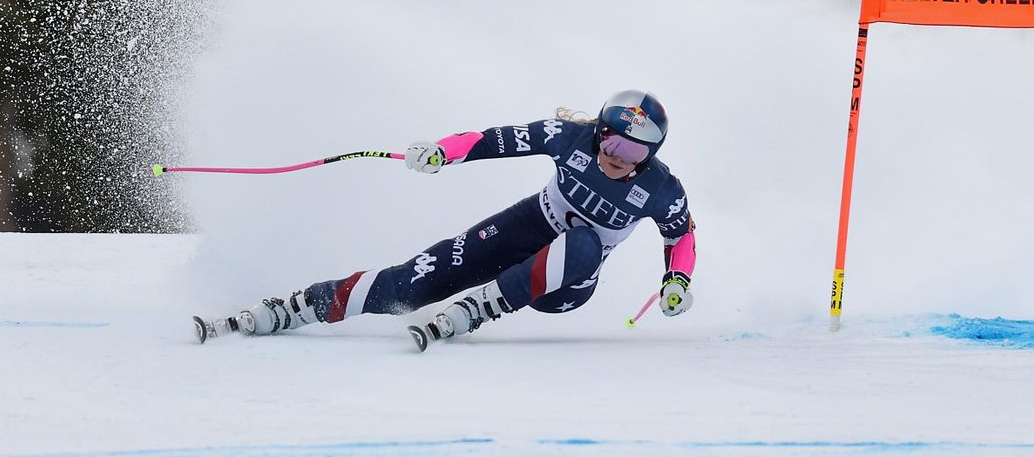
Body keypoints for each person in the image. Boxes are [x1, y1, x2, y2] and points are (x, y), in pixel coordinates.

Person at [195, 89, 696, 349]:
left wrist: (677, 279)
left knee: (584, 241)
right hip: (530, 224)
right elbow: (495, 139)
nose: (619, 156)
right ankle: (295, 307)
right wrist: (441, 151)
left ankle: (479, 309)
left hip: (566, 284)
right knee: (414, 281)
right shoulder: (569, 136)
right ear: (599, 132)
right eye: (612, 141)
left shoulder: (661, 188)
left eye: (634, 150)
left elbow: (681, 235)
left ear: (651, 153)